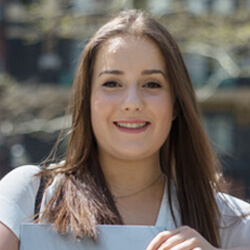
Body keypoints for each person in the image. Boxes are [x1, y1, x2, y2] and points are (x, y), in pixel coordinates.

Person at [0, 9, 249, 250]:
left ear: (175, 104)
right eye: (112, 83)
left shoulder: (233, 222)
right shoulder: (30, 197)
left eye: (152, 84)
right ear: (86, 100)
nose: (132, 103)